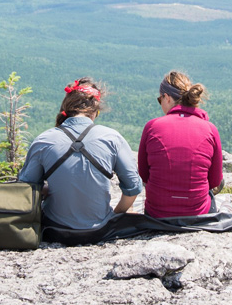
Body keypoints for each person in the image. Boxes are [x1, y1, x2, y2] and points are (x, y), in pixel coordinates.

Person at [17, 77, 142, 231]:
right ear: (95, 110)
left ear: (66, 108)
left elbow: (26, 187)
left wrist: (49, 189)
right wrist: (115, 215)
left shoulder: (44, 140)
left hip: (54, 229)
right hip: (99, 230)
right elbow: (133, 187)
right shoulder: (112, 138)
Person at [137, 70, 224, 218]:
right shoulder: (210, 129)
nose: (161, 104)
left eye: (160, 100)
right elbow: (215, 180)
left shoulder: (151, 127)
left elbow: (144, 175)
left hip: (157, 213)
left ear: (167, 97)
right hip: (198, 213)